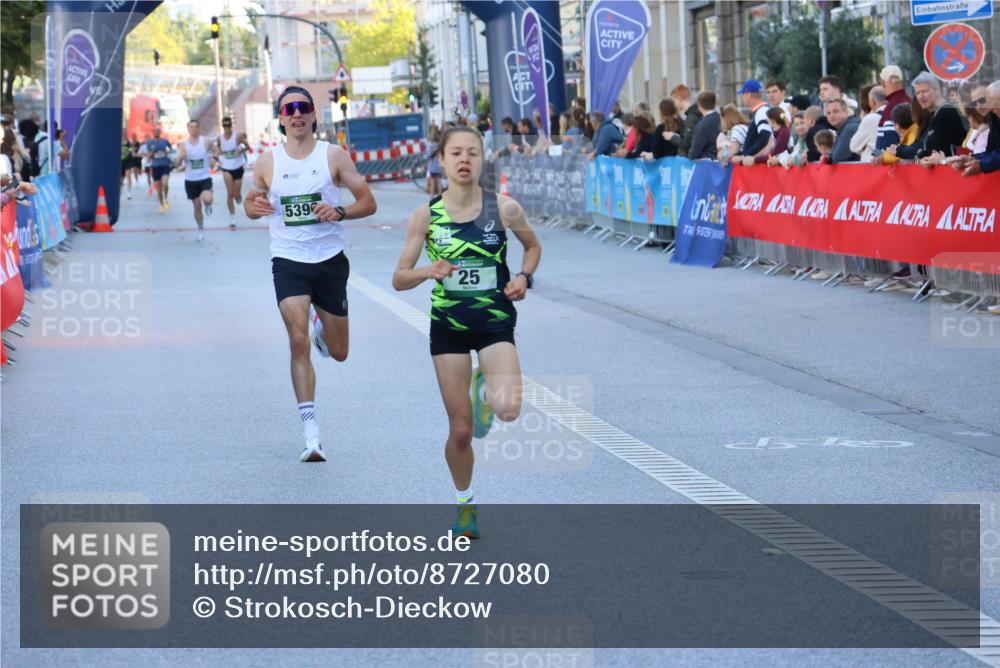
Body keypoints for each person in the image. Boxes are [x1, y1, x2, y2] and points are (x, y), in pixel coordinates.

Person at [391, 125, 541, 538]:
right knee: (460, 430)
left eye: (472, 153)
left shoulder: (504, 209)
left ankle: (486, 385)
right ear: (441, 159)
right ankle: (465, 505)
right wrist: (427, 270)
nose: (464, 160)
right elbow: (398, 278)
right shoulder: (426, 215)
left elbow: (532, 246)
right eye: (455, 152)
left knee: (508, 409)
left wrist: (525, 277)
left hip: (495, 324)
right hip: (450, 331)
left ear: (482, 159)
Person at [243, 85, 377, 463]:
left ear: (314, 115)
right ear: (281, 118)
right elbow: (248, 204)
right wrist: (254, 207)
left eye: (303, 107)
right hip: (288, 261)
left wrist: (340, 212)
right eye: (289, 109)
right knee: (296, 341)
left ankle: (323, 326)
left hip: (330, 260)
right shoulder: (268, 162)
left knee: (339, 352)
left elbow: (368, 201)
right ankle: (311, 432)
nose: (297, 114)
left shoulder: (333, 155)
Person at [174, 119, 218, 240]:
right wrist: (180, 158)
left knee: (207, 198)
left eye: (195, 127)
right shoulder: (184, 145)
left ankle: (208, 205)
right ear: (188, 129)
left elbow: (216, 150)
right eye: (191, 127)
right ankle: (201, 229)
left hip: (204, 177)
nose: (193, 129)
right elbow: (177, 164)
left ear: (199, 128)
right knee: (197, 207)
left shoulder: (206, 140)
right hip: (190, 180)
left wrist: (214, 158)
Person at [910, 72, 967, 162]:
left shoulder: (946, 112)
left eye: (924, 91)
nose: (921, 96)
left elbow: (939, 150)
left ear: (937, 90)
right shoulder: (935, 114)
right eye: (918, 93)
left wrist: (920, 154)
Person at [217, 117, 248, 229]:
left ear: (231, 126)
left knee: (236, 195)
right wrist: (216, 155)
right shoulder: (220, 138)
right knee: (229, 193)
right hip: (226, 168)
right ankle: (232, 219)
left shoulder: (237, 136)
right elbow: (219, 150)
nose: (226, 128)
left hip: (238, 167)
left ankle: (238, 196)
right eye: (224, 126)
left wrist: (242, 150)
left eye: (228, 125)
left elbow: (247, 146)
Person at [736, 80, 772, 164]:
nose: (742, 98)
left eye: (743, 95)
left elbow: (765, 137)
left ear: (748, 94)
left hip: (760, 166)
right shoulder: (761, 111)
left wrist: (749, 155)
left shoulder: (762, 112)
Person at [876, 65, 911, 151]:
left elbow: (888, 142)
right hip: (912, 160)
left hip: (894, 161)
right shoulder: (912, 103)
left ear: (883, 83)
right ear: (901, 82)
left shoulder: (890, 109)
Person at [851, 86, 886, 163]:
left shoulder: (871, 118)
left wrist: (866, 146)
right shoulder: (898, 113)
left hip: (874, 168)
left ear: (872, 102)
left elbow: (853, 146)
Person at [145, 126, 173, 213]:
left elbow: (171, 149)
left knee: (165, 183)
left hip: (165, 165)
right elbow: (148, 157)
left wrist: (169, 152)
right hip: (155, 167)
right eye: (155, 131)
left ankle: (166, 198)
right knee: (159, 189)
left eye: (158, 131)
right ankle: (161, 205)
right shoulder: (149, 143)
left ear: (160, 132)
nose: (156, 133)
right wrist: (153, 151)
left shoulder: (164, 141)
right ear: (153, 133)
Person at [825, 98, 861, 163]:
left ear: (846, 112)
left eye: (835, 111)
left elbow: (837, 157)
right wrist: (828, 157)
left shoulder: (849, 129)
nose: (832, 115)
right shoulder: (845, 127)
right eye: (828, 113)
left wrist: (829, 157)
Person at [688, 91, 720, 161]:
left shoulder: (702, 124)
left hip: (707, 163)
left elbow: (695, 150)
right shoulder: (721, 118)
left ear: (699, 104)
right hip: (720, 161)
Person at [671, 84, 701, 157]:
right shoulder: (693, 115)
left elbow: (687, 143)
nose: (673, 104)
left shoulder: (691, 117)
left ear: (679, 98)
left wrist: (672, 137)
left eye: (674, 100)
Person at [426, 124, 443, 195]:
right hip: (439, 167)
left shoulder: (429, 146)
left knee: (432, 184)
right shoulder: (440, 146)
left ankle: (433, 200)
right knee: (439, 183)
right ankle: (440, 200)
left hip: (432, 168)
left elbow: (426, 156)